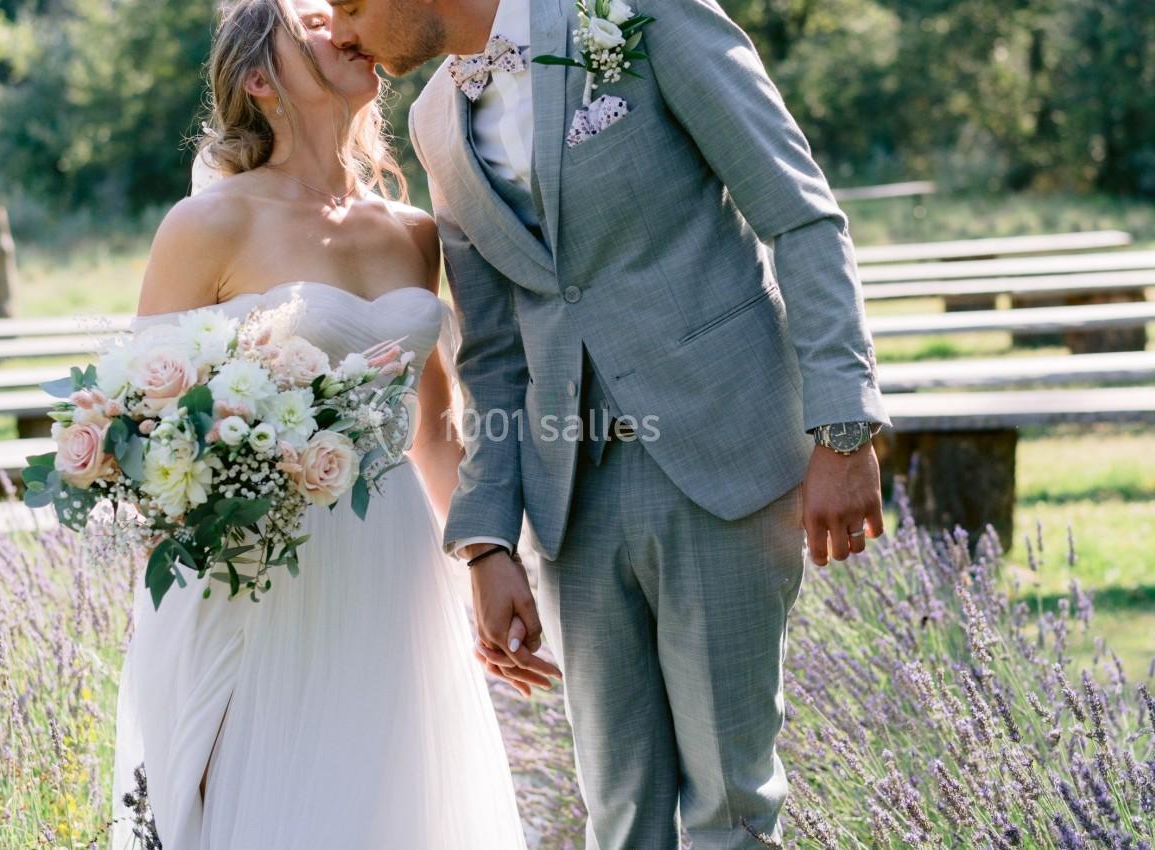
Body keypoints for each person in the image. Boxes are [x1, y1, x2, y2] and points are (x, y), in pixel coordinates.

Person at [330, 0, 893, 846]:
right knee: (619, 810)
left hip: (722, 456)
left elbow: (801, 216)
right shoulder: (437, 119)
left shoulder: (642, 16)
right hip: (571, 500)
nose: (339, 30)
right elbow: (491, 355)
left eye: (349, 5)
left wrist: (844, 427)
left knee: (730, 806)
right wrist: (486, 542)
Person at [108, 1, 537, 846]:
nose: (344, 23)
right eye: (313, 21)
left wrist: (488, 558)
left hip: (391, 576)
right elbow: (141, 431)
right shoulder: (208, 224)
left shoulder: (415, 233)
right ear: (260, 81)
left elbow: (433, 426)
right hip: (256, 576)